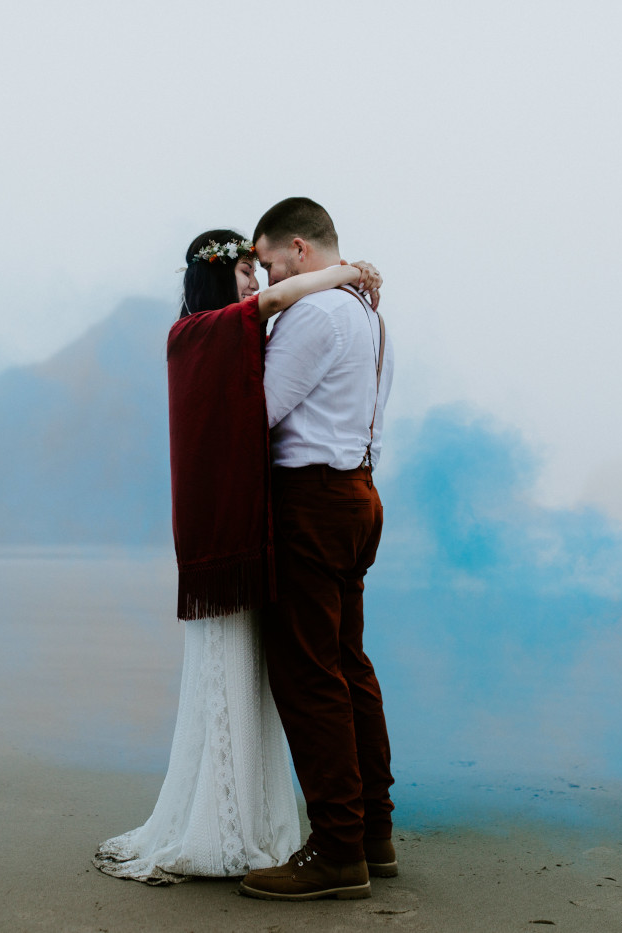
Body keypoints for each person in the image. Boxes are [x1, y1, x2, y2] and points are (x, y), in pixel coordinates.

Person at [93, 228, 382, 884]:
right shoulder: (196, 333)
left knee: (274, 679)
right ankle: (225, 826)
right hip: (226, 540)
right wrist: (345, 273)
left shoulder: (229, 339)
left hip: (261, 530)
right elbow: (276, 303)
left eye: (258, 270)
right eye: (244, 272)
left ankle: (265, 820)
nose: (255, 282)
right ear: (215, 281)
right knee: (238, 676)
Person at [238, 198, 397, 902]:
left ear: (299, 250)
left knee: (309, 676)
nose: (265, 276)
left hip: (311, 499)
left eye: (268, 262)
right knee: (348, 664)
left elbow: (259, 414)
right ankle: (372, 833)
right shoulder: (367, 315)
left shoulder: (314, 313)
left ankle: (337, 847)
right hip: (358, 493)